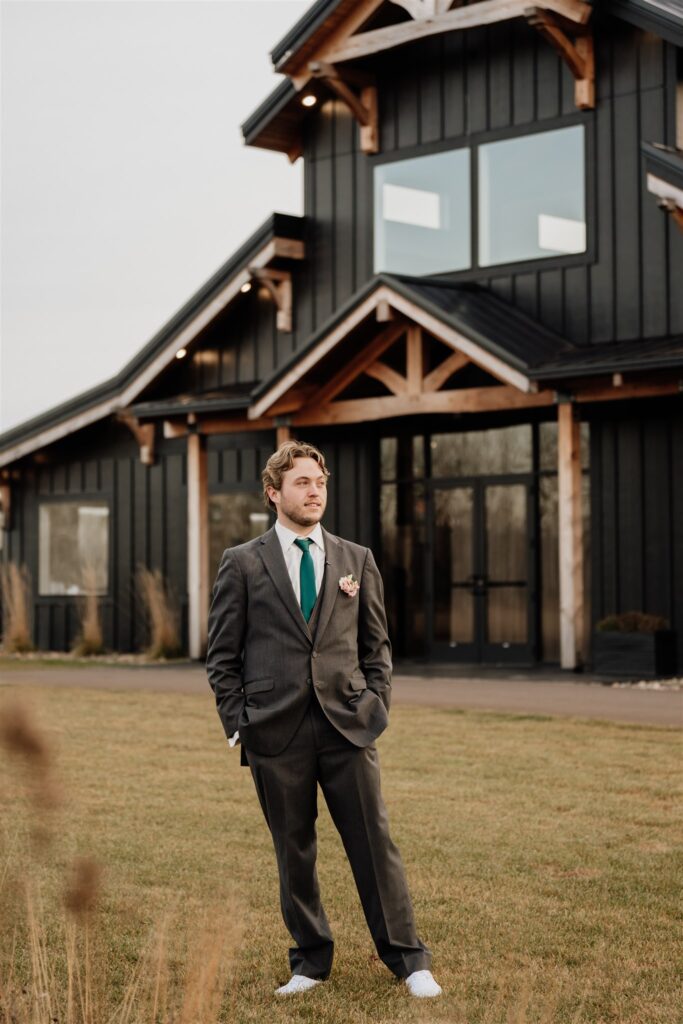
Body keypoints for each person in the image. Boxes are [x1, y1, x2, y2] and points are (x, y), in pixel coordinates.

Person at [206, 439, 441, 998]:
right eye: (302, 483)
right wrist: (240, 722)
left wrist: (375, 706)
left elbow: (376, 644)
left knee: (374, 843)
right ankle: (309, 963)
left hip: (348, 724)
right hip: (274, 729)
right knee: (294, 848)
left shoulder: (356, 559)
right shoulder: (242, 562)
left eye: (320, 482)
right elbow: (221, 656)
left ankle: (410, 962)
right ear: (274, 493)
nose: (314, 492)